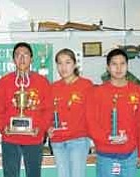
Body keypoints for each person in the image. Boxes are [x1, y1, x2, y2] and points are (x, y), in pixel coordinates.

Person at [87, 49, 140, 177]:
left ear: (127, 66)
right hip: (105, 155)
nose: (118, 68)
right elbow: (91, 123)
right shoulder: (97, 93)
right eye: (114, 64)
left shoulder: (138, 92)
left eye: (122, 64)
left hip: (130, 155)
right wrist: (108, 139)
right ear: (108, 68)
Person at [0, 42, 52, 177]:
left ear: (31, 58)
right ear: (13, 59)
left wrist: (40, 128)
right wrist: (4, 127)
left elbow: (48, 109)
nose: (22, 58)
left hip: (34, 138)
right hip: (10, 139)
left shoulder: (42, 82)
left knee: (34, 174)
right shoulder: (4, 82)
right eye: (18, 55)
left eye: (25, 55)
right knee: (10, 174)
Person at [48, 48, 93, 177]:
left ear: (74, 64)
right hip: (58, 141)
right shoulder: (53, 87)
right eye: (60, 63)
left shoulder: (86, 85)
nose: (63, 67)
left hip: (78, 140)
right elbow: (48, 113)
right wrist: (48, 127)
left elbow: (92, 114)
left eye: (67, 62)